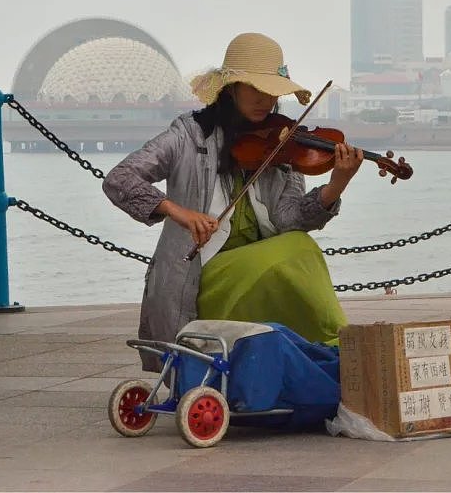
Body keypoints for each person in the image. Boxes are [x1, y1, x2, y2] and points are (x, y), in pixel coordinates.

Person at [103, 32, 363, 371]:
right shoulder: (187, 135)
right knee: (298, 252)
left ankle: (331, 352)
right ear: (230, 88)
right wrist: (178, 212)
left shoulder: (281, 144)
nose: (264, 100)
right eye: (254, 88)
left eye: (271, 91)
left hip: (257, 274)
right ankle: (343, 343)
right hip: (197, 277)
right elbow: (119, 179)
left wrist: (336, 185)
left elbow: (289, 219)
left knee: (298, 246)